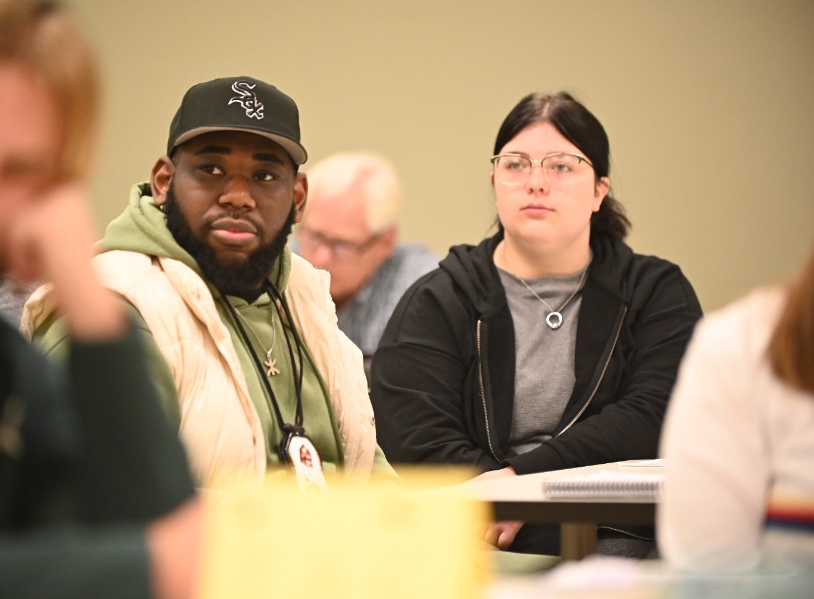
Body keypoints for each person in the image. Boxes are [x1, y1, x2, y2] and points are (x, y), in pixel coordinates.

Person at [0, 1, 201, 597]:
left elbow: (166, 531)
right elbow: (162, 561)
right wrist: (135, 571)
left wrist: (86, 295)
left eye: (18, 171)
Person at [25, 75, 397, 493]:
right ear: (164, 181)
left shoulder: (306, 298)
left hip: (339, 553)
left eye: (265, 176)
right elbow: (105, 511)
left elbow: (372, 477)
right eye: (211, 170)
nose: (238, 196)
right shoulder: (114, 308)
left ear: (297, 198)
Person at [369, 91, 702, 557]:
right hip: (474, 530)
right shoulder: (441, 296)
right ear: (494, 180)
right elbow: (414, 437)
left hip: (619, 530)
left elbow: (656, 416)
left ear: (599, 191)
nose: (536, 183)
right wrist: (501, 502)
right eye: (516, 165)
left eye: (562, 166)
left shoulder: (655, 292)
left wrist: (526, 486)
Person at [659, 246, 814, 573]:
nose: (538, 189)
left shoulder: (656, 285)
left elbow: (646, 409)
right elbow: (711, 566)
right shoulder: (745, 343)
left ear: (599, 193)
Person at [295, 152, 437, 380]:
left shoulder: (422, 290)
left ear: (386, 242)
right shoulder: (278, 267)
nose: (320, 257)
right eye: (314, 236)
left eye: (341, 245)